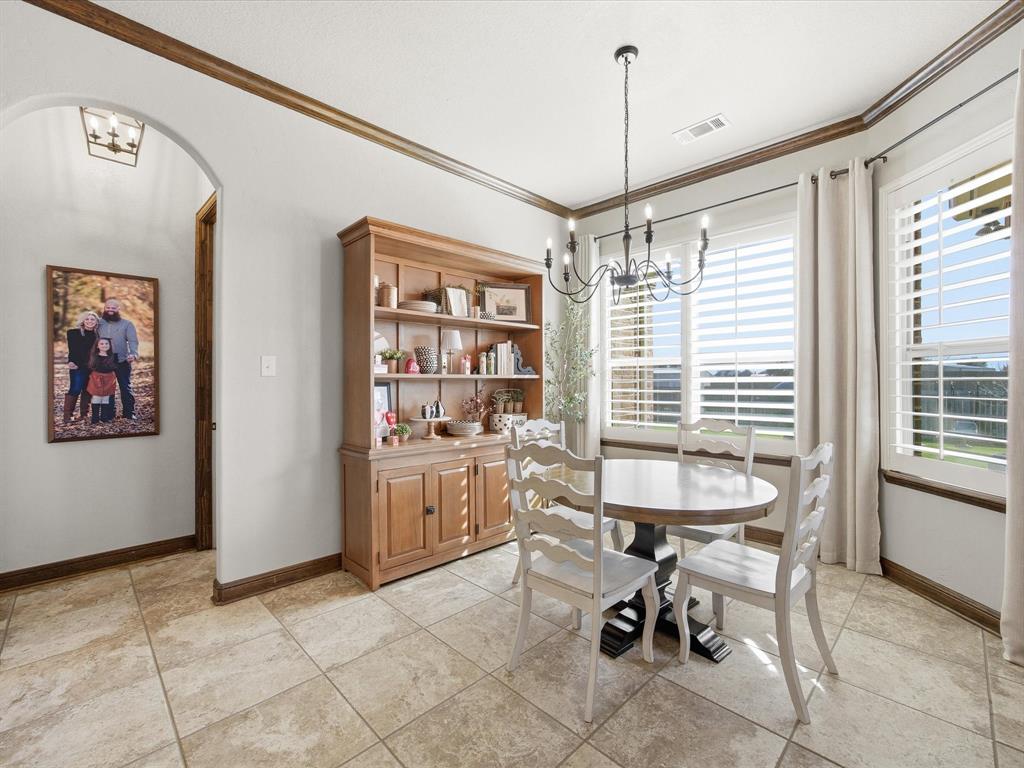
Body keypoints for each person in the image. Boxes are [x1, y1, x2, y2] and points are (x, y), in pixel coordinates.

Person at [97, 298, 139, 420]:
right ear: (104, 308)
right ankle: (109, 414)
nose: (110, 310)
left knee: (125, 386)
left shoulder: (127, 324)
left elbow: (132, 341)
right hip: (104, 360)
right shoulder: (99, 323)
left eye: (113, 308)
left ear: (118, 309)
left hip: (122, 360)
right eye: (108, 308)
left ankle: (129, 412)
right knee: (107, 387)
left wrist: (133, 354)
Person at [63, 310, 100, 423]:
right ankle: (67, 415)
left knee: (88, 390)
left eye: (92, 319)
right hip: (78, 366)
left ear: (96, 322)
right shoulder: (73, 333)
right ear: (83, 321)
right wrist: (71, 361)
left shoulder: (98, 335)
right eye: (87, 319)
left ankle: (84, 415)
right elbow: (72, 350)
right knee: (75, 388)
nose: (89, 321)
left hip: (93, 367)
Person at [87, 337, 118, 423]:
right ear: (97, 346)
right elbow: (91, 368)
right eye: (101, 344)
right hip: (96, 378)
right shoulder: (95, 356)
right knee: (96, 397)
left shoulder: (113, 356)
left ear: (110, 345)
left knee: (106, 397)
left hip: (109, 378)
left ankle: (104, 417)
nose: (104, 345)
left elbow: (115, 368)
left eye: (106, 344)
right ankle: (95, 418)